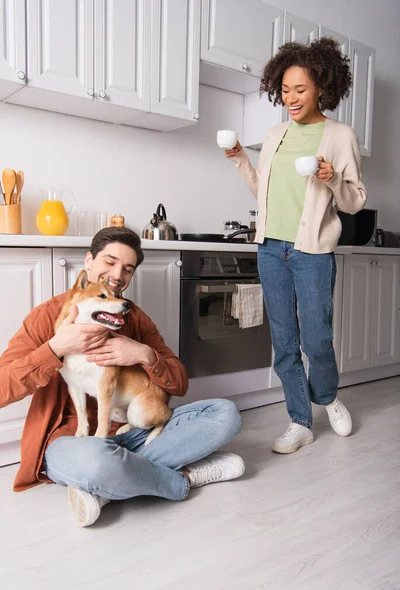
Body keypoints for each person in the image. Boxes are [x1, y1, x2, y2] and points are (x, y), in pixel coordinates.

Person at [0, 227, 244, 526]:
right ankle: (183, 479)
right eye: (109, 262)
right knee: (96, 462)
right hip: (72, 439)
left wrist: (144, 354)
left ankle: (111, 485)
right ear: (88, 261)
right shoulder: (47, 317)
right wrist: (55, 348)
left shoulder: (134, 317)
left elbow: (179, 383)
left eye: (127, 269)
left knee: (225, 413)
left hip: (132, 428)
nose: (117, 275)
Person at [225, 38, 367, 454]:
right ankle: (299, 420)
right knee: (284, 343)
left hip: (313, 253)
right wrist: (239, 158)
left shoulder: (340, 136)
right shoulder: (275, 135)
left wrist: (331, 178)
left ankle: (327, 397)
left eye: (300, 90)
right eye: (285, 91)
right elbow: (262, 192)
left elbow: (355, 200)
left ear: (322, 87)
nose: (291, 98)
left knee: (317, 340)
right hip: (271, 248)